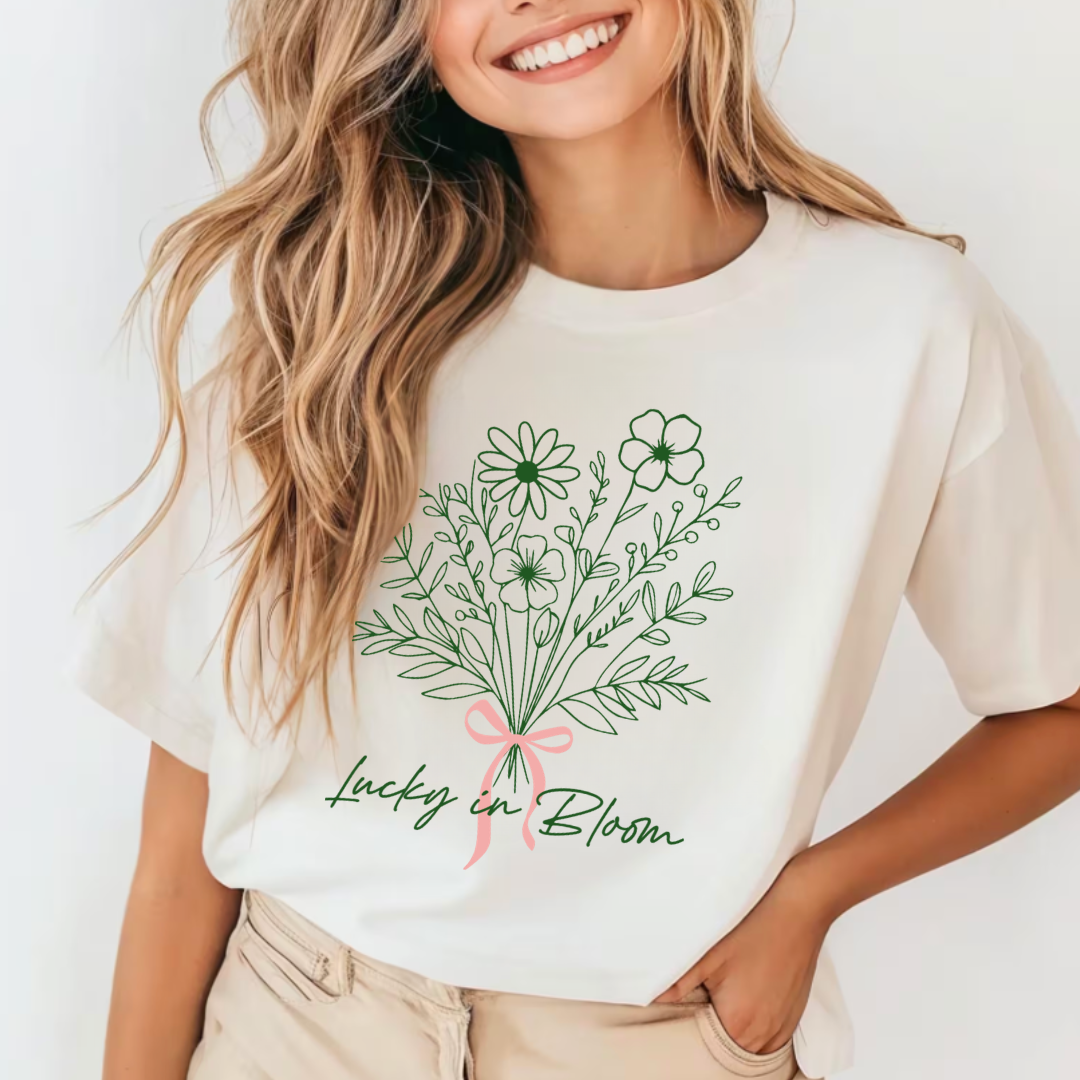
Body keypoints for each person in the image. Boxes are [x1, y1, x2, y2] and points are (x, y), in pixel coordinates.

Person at [63, 0, 1080, 1078]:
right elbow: (183, 826)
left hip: (656, 1039)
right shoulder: (329, 319)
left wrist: (814, 897)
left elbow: (1058, 704)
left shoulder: (909, 325)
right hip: (305, 1020)